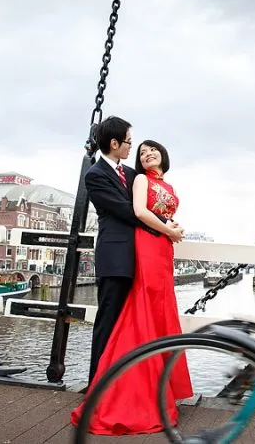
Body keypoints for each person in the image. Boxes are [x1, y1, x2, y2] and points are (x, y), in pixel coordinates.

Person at [71, 139, 193, 435]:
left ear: (164, 154)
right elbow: (139, 212)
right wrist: (168, 230)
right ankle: (132, 392)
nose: (147, 153)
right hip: (150, 245)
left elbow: (163, 214)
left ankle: (161, 383)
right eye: (141, 151)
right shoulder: (139, 179)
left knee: (161, 313)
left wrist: (173, 229)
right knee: (144, 314)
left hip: (164, 248)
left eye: (153, 149)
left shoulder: (171, 186)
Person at [83, 117, 182, 386]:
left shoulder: (131, 174)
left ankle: (129, 384)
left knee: (135, 325)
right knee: (109, 321)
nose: (131, 147)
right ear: (114, 143)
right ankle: (97, 385)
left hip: (142, 256)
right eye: (128, 142)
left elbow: (149, 203)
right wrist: (166, 228)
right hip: (115, 258)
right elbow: (128, 211)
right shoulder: (95, 176)